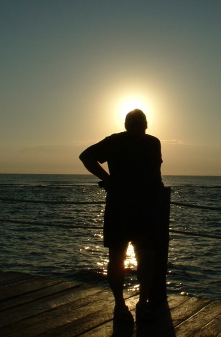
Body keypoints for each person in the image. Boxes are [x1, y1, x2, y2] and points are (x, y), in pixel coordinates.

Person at [79, 109, 164, 323]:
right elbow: (86, 156)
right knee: (117, 256)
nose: (137, 125)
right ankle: (119, 303)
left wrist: (158, 195)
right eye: (132, 121)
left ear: (146, 124)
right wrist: (107, 179)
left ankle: (143, 302)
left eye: (140, 121)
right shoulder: (114, 141)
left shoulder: (154, 142)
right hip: (120, 206)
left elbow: (155, 174)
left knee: (147, 257)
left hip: (146, 207)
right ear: (126, 124)